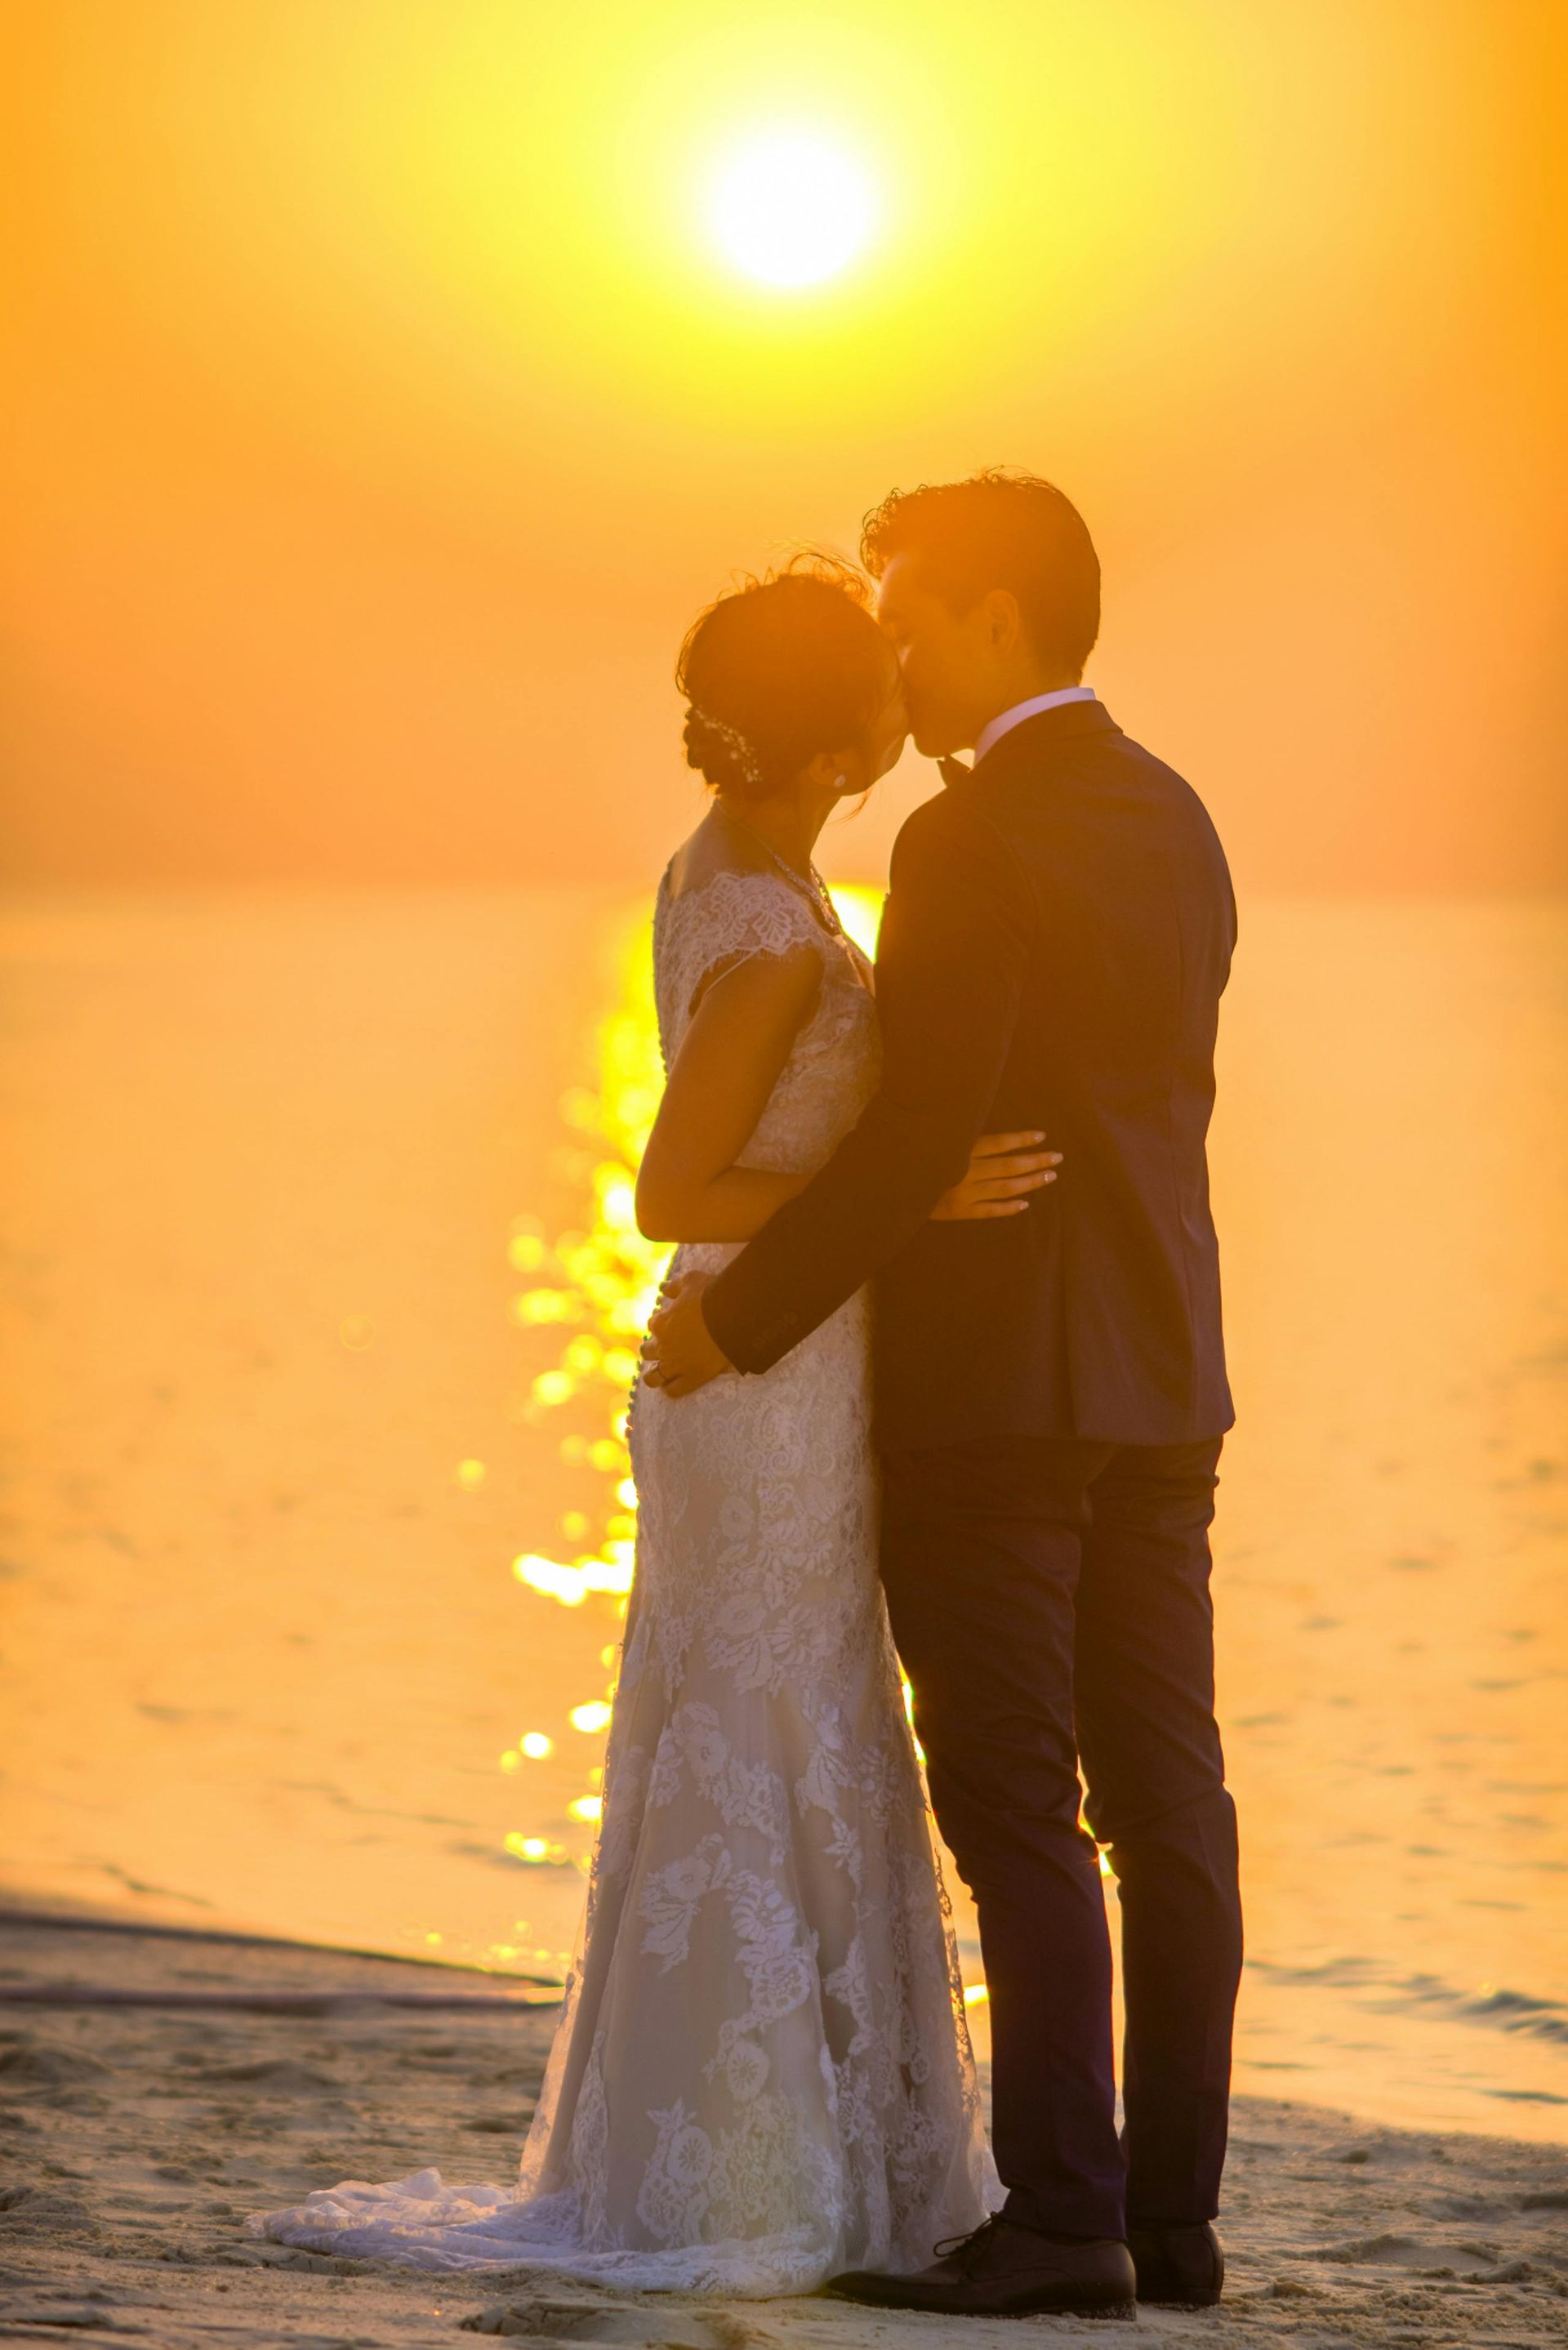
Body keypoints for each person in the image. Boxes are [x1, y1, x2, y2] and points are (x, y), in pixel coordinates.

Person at [248, 551, 1062, 2294]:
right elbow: (668, 1181)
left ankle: (793, 2140)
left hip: (768, 1370)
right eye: (881, 675)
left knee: (784, 1722)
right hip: (757, 1383)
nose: (907, 696)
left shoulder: (740, 871)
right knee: (774, 1728)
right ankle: (753, 2163)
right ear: (837, 726)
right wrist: (907, 1193)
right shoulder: (770, 928)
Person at [646, 470, 1243, 2318]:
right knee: (1171, 1795)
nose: (891, 647)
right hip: (1166, 1370)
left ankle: (1061, 2219)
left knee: (1014, 1802)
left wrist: (739, 1332)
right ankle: (1172, 2216)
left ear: (996, 614)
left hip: (1001, 1393)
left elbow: (924, 1128)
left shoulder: (966, 844)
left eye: (908, 611)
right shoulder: (1179, 812)